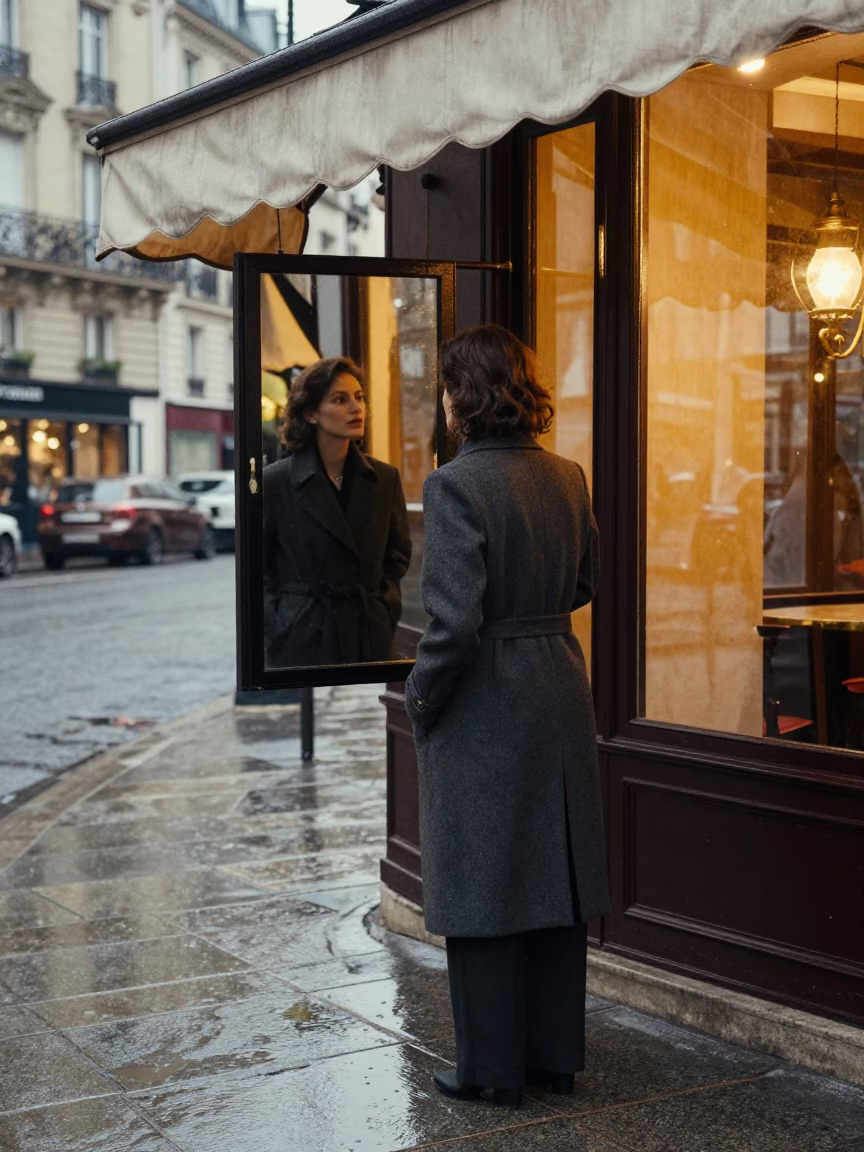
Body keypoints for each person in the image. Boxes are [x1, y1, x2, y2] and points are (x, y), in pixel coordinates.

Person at [405, 324, 609, 1109]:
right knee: (552, 876)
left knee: (485, 881)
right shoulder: (567, 475)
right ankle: (554, 1058)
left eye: (450, 386)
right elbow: (584, 580)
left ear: (465, 396)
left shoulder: (455, 484)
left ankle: (490, 1071)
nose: (447, 400)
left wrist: (422, 698)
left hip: (488, 689)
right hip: (558, 678)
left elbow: (452, 625)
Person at [263, 356, 411, 667]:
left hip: (366, 634)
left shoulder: (384, 478)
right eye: (340, 399)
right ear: (312, 413)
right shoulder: (277, 482)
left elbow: (396, 557)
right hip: (303, 636)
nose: (356, 408)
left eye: (359, 397)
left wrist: (384, 608)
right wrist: (280, 621)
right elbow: (259, 568)